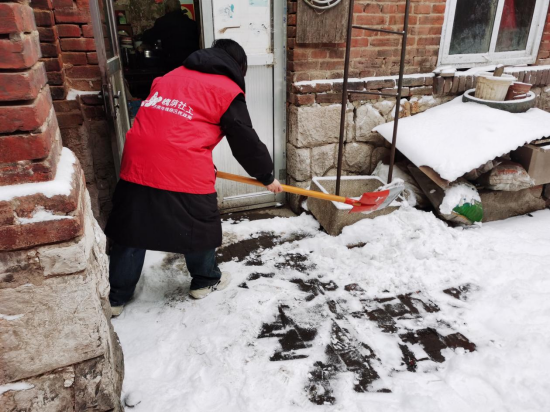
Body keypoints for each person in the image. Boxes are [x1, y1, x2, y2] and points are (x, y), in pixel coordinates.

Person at [105, 39, 283, 316]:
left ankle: (116, 297)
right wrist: (266, 176)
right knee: (198, 225)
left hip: (137, 161)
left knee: (132, 227)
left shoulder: (169, 76)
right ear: (239, 66)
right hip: (183, 165)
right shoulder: (227, 90)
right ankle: (205, 280)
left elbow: (170, 124)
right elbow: (244, 140)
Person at [141, 0, 200, 72]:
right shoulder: (192, 23)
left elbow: (149, 37)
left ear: (167, 9)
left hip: (171, 62)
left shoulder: (162, 22)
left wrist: (142, 35)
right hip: (190, 62)